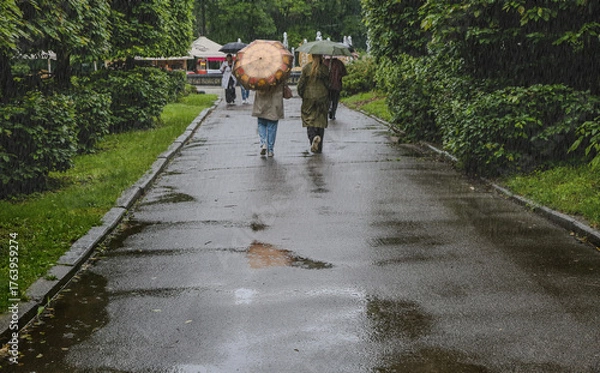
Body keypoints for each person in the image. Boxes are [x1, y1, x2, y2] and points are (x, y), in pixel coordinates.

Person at [297, 54, 330, 153]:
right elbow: (328, 85)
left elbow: (300, 85)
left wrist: (302, 94)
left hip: (309, 97)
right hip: (322, 97)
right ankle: (319, 147)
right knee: (320, 120)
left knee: (309, 119)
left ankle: (313, 137)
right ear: (321, 57)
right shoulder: (324, 69)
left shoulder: (307, 68)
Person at [252, 82, 285, 157]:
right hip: (275, 99)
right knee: (272, 125)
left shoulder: (259, 72)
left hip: (261, 100)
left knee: (261, 123)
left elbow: (253, 85)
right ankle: (270, 150)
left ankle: (263, 143)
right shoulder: (279, 71)